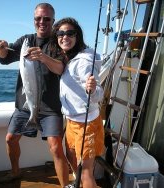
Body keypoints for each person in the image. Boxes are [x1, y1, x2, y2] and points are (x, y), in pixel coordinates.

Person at [0, 3, 70, 187]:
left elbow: (61, 68)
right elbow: (5, 57)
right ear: (34, 20)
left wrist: (43, 57)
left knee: (56, 147)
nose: (42, 22)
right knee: (10, 139)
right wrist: (0, 49)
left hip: (51, 107)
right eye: (38, 18)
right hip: (26, 104)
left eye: (46, 18)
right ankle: (15, 172)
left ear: (53, 20)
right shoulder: (26, 40)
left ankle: (65, 185)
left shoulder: (58, 42)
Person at [49, 17, 105, 188]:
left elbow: (97, 95)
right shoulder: (70, 57)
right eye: (60, 33)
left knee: (86, 173)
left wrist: (93, 88)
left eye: (70, 33)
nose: (64, 37)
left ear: (77, 36)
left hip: (85, 124)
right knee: (75, 164)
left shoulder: (83, 62)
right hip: (73, 121)